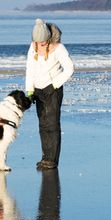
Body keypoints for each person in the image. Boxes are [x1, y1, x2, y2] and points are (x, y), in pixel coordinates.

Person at [25, 19, 74, 170]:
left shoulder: (59, 48)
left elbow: (70, 68)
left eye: (43, 42)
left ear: (48, 38)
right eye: (38, 42)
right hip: (38, 90)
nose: (41, 45)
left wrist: (54, 85)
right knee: (43, 124)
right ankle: (45, 157)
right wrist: (29, 90)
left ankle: (52, 160)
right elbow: (30, 68)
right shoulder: (33, 47)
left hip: (53, 89)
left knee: (52, 123)